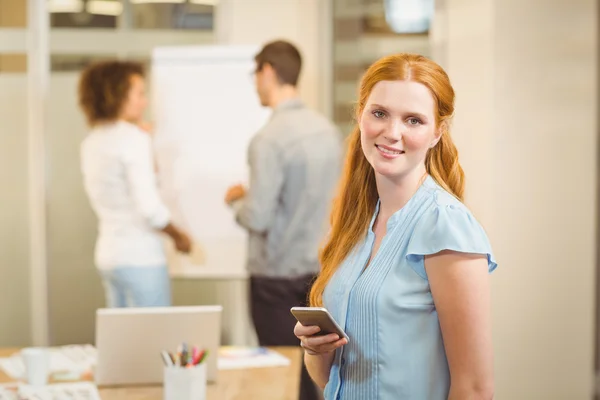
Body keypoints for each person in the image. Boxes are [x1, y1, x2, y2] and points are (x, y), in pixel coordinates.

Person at [295, 53, 498, 399]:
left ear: (437, 133)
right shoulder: (354, 223)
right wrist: (316, 348)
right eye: (379, 114)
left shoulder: (446, 226)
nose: (392, 133)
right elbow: (327, 379)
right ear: (360, 115)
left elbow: (475, 389)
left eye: (414, 121)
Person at [224, 40, 342, 400]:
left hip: (274, 280)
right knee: (316, 373)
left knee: (283, 376)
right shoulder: (328, 132)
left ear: (268, 72)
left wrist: (236, 203)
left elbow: (258, 217)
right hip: (319, 273)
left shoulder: (268, 139)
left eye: (256, 75)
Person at [78, 60, 192, 308]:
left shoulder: (92, 142)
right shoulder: (132, 139)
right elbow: (150, 209)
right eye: (139, 94)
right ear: (118, 96)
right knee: (154, 339)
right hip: (141, 258)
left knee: (121, 339)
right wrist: (179, 236)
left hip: (109, 257)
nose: (145, 102)